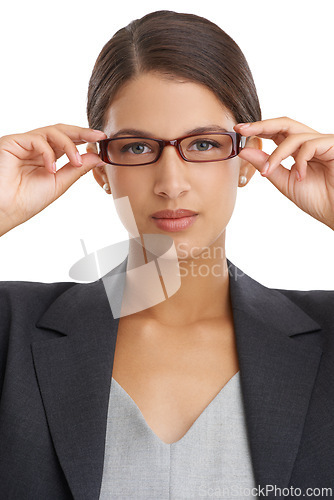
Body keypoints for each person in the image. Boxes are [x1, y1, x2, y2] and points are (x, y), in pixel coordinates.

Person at [0, 9, 333, 500]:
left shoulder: (325, 335)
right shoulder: (13, 332)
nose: (171, 184)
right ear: (99, 168)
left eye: (203, 143)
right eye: (136, 148)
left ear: (247, 159)